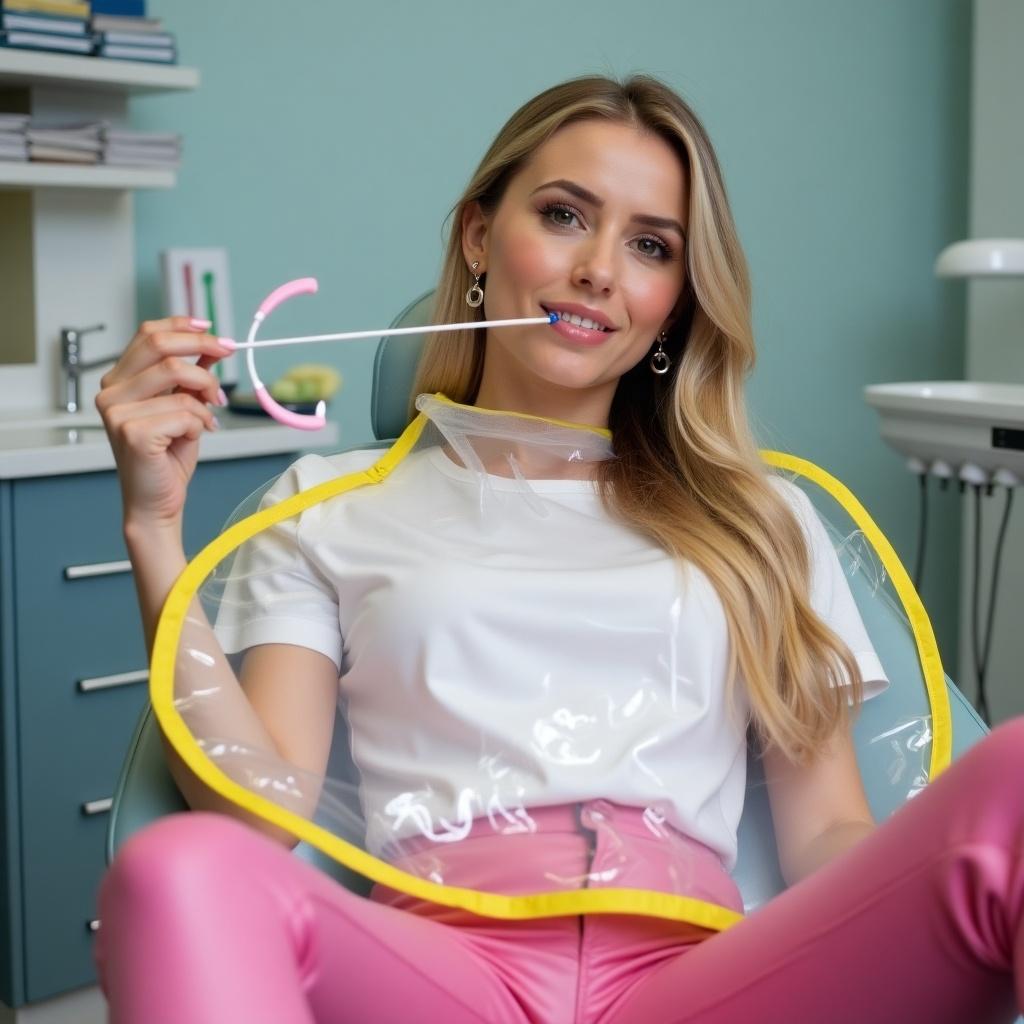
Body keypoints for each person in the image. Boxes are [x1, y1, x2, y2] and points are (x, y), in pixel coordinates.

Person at [93, 73, 1024, 1024]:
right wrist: (152, 529)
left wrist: (892, 911)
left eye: (650, 245)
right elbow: (256, 807)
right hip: (441, 975)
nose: (601, 271)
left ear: (676, 299)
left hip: (702, 986)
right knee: (181, 868)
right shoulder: (323, 506)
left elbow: (828, 829)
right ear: (478, 235)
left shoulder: (762, 518)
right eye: (566, 215)